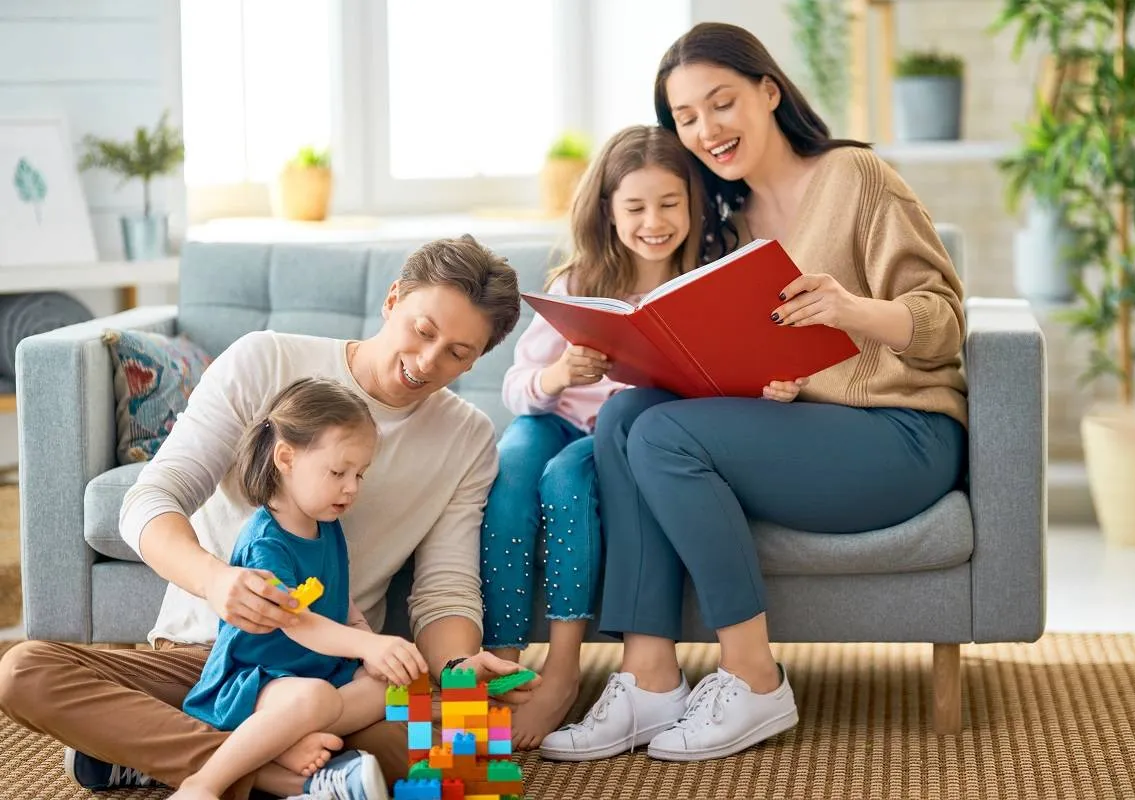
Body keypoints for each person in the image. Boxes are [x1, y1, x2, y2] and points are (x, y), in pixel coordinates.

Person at [540, 22, 968, 763]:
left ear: (769, 92)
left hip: (902, 437)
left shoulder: (856, 177)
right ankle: (649, 680)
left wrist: (851, 309)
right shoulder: (728, 226)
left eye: (722, 103)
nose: (707, 129)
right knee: (627, 415)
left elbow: (945, 322)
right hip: (807, 440)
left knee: (663, 433)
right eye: (687, 117)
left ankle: (754, 677)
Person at [0, 235, 537, 800]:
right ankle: (272, 771)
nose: (428, 362)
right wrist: (216, 581)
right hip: (210, 661)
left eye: (457, 353)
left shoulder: (467, 437)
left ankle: (153, 752)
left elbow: (445, 589)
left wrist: (457, 666)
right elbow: (151, 499)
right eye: (423, 331)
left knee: (447, 762)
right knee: (24, 672)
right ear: (392, 299)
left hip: (336, 672)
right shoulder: (265, 360)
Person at [482, 124, 705, 750]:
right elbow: (517, 387)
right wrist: (557, 375)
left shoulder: (701, 283)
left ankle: (561, 670)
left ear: (692, 204)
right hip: (553, 419)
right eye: (635, 207)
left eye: (669, 204)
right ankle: (502, 664)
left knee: (565, 479)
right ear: (608, 210)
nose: (653, 222)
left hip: (619, 440)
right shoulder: (578, 282)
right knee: (510, 474)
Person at [174, 376, 425, 800]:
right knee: (317, 699)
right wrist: (370, 646)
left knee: (388, 687)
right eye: (339, 472)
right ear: (286, 458)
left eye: (360, 474)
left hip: (316, 672)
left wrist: (365, 640)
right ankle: (203, 783)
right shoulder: (266, 542)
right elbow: (300, 623)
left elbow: (342, 602)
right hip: (256, 680)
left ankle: (282, 743)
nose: (352, 487)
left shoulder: (328, 525)